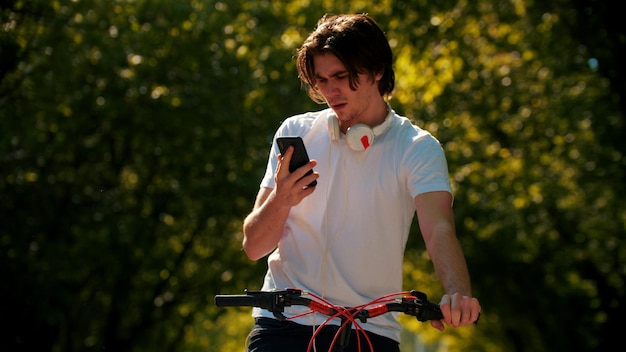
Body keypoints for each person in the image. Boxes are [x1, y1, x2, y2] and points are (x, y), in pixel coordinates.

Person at [241, 13, 481, 352]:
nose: (330, 90)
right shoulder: (296, 133)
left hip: (370, 332)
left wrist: (458, 295)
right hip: (282, 326)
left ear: (377, 70)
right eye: (322, 80)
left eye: (341, 76)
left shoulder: (416, 147)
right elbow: (253, 246)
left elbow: (438, 228)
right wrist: (282, 199)